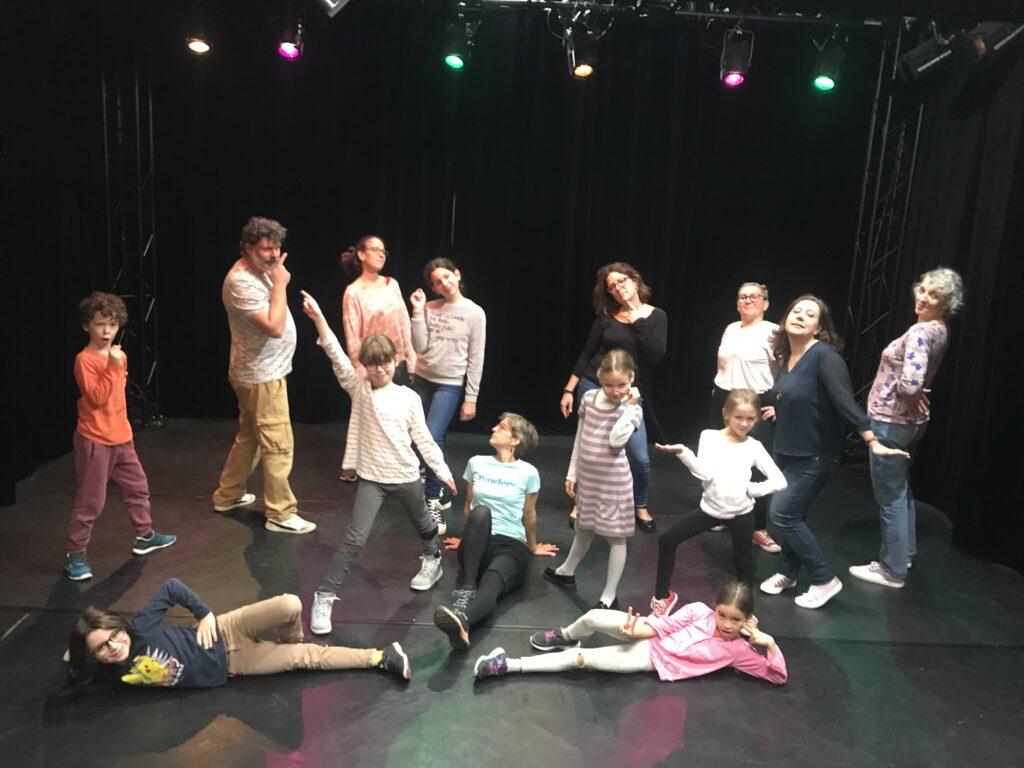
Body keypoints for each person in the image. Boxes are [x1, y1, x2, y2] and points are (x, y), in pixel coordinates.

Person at [300, 291, 457, 636]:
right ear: (365, 366)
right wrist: (319, 317)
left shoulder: (409, 398)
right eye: (373, 364)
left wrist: (443, 471)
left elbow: (424, 440)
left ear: (396, 361)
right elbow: (335, 352)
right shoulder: (359, 390)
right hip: (372, 478)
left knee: (426, 524)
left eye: (385, 362)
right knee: (355, 538)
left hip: (407, 476)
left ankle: (432, 560)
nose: (380, 368)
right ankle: (325, 595)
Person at [758, 295, 909, 609]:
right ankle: (787, 573)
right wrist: (780, 408)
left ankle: (824, 579)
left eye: (809, 314)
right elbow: (804, 398)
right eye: (796, 310)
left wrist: (871, 440)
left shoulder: (825, 357)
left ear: (819, 328)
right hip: (787, 450)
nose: (800, 315)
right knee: (794, 515)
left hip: (816, 455)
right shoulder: (788, 356)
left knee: (782, 514)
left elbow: (844, 403)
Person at [66, 578, 410, 687]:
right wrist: (77, 652)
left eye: (113, 636)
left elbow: (172, 587)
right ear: (93, 657)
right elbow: (71, 666)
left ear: (120, 626)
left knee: (290, 604)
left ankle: (291, 643)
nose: (114, 647)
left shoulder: (141, 627)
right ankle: (381, 657)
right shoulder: (107, 674)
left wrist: (204, 615)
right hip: (234, 665)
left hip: (225, 629)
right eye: (102, 648)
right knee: (307, 659)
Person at [849, 268, 963, 589]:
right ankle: (905, 553)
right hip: (910, 423)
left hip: (891, 421)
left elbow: (911, 383)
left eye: (933, 295)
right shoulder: (940, 329)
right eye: (922, 289)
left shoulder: (920, 332)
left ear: (947, 303)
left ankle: (892, 569)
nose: (923, 297)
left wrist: (907, 390)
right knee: (901, 488)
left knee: (890, 496)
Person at [212, 217, 315, 534]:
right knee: (277, 442)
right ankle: (280, 513)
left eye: (276, 248)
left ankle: (228, 495)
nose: (273, 255)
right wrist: (281, 284)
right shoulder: (240, 282)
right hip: (261, 376)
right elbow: (273, 327)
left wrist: (275, 278)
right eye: (265, 249)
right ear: (247, 248)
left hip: (260, 372)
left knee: (251, 438)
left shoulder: (260, 272)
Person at [473, 581, 786, 685]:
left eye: (735, 619)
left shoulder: (740, 652)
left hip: (651, 659)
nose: (727, 624)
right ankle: (567, 635)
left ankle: (505, 665)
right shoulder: (698, 612)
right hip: (650, 635)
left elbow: (777, 676)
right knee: (593, 616)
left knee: (580, 659)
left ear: (747, 619)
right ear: (715, 608)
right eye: (722, 615)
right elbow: (663, 627)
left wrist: (770, 644)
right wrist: (634, 630)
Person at [64, 292, 176, 581]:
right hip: (95, 439)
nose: (106, 332)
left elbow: (117, 397)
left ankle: (145, 535)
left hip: (121, 437)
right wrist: (113, 366)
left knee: (137, 487)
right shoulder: (85, 360)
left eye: (112, 325)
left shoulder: (120, 355)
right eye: (100, 324)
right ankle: (76, 554)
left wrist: (124, 429)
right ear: (87, 326)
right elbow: (98, 398)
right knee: (91, 501)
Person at [650, 389, 787, 616]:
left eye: (750, 418)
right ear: (726, 414)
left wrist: (754, 489)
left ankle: (745, 613)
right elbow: (704, 474)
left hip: (741, 514)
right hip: (710, 510)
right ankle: (663, 597)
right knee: (667, 540)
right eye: (739, 417)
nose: (744, 423)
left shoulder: (754, 446)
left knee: (743, 564)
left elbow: (780, 481)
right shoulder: (709, 437)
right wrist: (684, 453)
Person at [432, 413, 559, 650]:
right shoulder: (476, 462)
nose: (493, 429)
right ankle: (467, 589)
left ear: (515, 440)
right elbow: (469, 506)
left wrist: (532, 546)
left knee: (492, 582)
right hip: (479, 542)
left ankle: (463, 623)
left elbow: (529, 514)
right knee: (481, 512)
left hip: (511, 545)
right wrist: (468, 539)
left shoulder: (528, 472)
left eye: (501, 427)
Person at [560, 263, 666, 532]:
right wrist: (569, 389)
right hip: (593, 386)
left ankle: (639, 505)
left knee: (639, 457)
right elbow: (587, 353)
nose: (618, 288)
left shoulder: (656, 316)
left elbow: (655, 355)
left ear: (634, 281)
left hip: (629, 393)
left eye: (621, 281)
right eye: (611, 287)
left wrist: (636, 317)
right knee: (591, 449)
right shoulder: (606, 316)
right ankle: (581, 501)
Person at [545, 349, 644, 610]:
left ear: (631, 379)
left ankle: (609, 595)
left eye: (621, 384)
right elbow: (580, 437)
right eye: (608, 385)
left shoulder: (632, 409)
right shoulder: (589, 398)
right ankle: (567, 570)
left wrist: (629, 407)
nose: (615, 391)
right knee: (583, 527)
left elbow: (616, 440)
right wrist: (572, 472)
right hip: (588, 479)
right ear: (599, 378)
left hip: (614, 482)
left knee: (616, 537)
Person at [409, 258, 486, 529]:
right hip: (422, 379)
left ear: (457, 274)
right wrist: (417, 311)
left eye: (446, 277)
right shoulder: (429, 308)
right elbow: (419, 346)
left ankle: (432, 498)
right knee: (427, 436)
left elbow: (476, 358)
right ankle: (441, 488)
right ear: (433, 287)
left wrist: (471, 397)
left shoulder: (475, 312)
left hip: (449, 384)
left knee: (430, 436)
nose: (443, 284)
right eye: (437, 282)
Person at [337, 235, 416, 482]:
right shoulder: (353, 292)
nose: (381, 254)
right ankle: (357, 465)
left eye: (384, 251)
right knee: (368, 417)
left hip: (396, 362)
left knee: (397, 415)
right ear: (361, 255)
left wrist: (410, 357)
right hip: (371, 365)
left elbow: (404, 322)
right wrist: (359, 367)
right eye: (375, 250)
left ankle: (396, 465)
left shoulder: (392, 284)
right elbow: (352, 333)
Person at [711, 282, 782, 553]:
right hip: (725, 399)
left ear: (765, 303)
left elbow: (787, 368)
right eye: (743, 297)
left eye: (754, 297)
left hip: (757, 402)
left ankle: (758, 527)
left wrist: (780, 404)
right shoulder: (731, 328)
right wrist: (718, 385)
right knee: (722, 459)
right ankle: (722, 512)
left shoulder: (773, 332)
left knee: (757, 466)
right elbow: (723, 361)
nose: (748, 301)